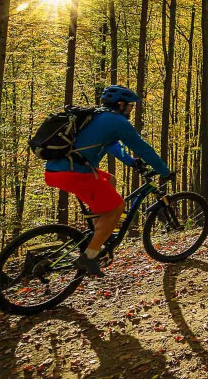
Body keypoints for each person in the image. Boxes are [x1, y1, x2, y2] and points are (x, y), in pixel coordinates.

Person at [45, 85, 172, 276]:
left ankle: (98, 233)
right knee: (117, 207)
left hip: (56, 170)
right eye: (129, 105)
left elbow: (113, 146)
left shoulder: (97, 115)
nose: (131, 109)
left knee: (109, 179)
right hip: (74, 173)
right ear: (119, 104)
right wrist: (163, 170)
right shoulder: (117, 122)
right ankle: (89, 257)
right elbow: (142, 148)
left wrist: (130, 162)